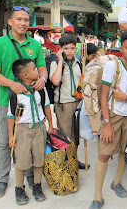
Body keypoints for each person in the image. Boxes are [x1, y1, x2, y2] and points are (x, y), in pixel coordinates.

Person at [0, 6, 47, 198]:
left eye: (26, 20)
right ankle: (2, 179)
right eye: (19, 19)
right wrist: (11, 84)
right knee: (7, 141)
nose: (23, 23)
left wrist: (42, 80)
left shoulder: (35, 44)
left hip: (32, 103)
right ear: (10, 22)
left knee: (32, 141)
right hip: (7, 102)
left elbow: (42, 69)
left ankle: (31, 177)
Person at [89, 31, 127, 209]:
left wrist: (126, 97)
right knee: (104, 155)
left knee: (123, 152)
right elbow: (104, 97)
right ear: (121, 48)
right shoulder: (112, 66)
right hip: (111, 116)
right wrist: (107, 124)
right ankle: (98, 197)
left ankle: (117, 182)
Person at [8, 59, 54, 205]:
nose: (38, 71)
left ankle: (37, 186)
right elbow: (10, 115)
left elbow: (46, 107)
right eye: (35, 69)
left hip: (39, 127)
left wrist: (50, 125)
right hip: (22, 130)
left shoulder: (40, 88)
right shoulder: (15, 92)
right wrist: (11, 136)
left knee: (39, 158)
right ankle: (19, 188)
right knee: (21, 160)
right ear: (25, 75)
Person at [49, 34, 87, 169]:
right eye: (66, 48)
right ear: (60, 49)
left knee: (76, 135)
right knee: (66, 136)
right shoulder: (56, 63)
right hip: (64, 105)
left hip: (78, 103)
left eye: (72, 48)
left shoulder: (79, 63)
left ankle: (74, 160)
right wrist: (60, 61)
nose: (70, 51)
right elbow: (55, 81)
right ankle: (66, 163)